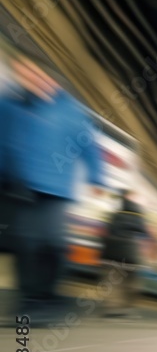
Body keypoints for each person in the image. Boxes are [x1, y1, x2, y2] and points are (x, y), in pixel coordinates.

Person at [0, 53, 106, 325]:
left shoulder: (70, 110)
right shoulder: (9, 103)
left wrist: (97, 178)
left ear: (50, 77)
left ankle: (49, 299)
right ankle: (29, 303)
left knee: (52, 244)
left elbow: (89, 145)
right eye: (23, 73)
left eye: (34, 72)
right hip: (16, 186)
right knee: (24, 244)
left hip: (54, 188)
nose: (30, 78)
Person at [100, 190, 150, 319]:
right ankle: (127, 308)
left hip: (111, 252)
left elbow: (108, 230)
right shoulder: (139, 216)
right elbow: (144, 234)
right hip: (130, 254)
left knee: (113, 281)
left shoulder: (115, 214)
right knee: (131, 283)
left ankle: (111, 308)